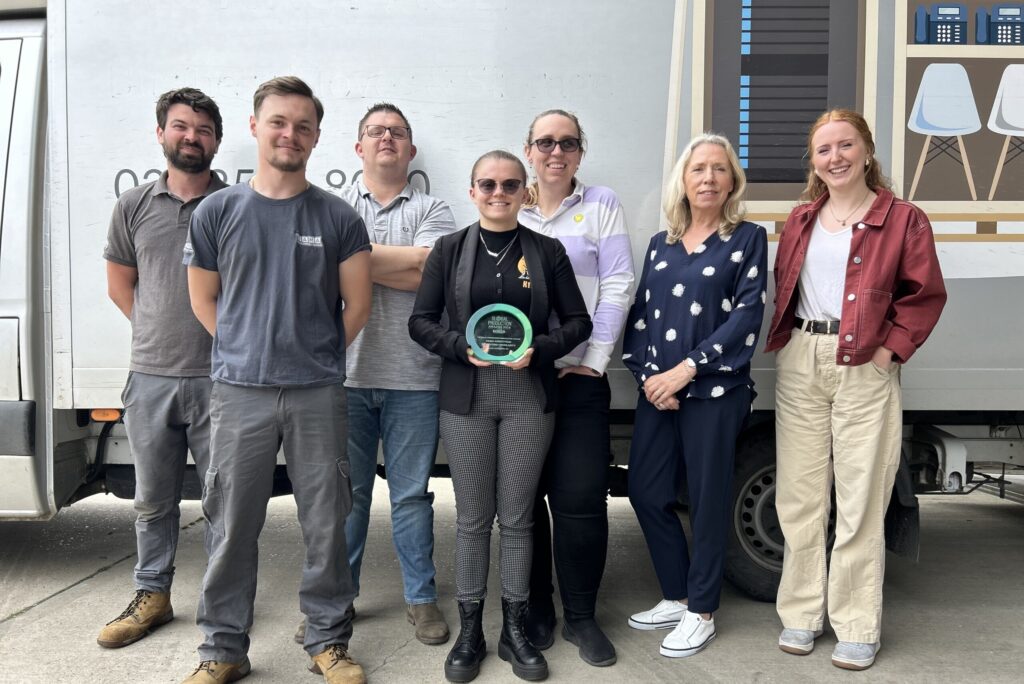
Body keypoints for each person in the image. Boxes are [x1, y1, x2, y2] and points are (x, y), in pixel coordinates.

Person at [183, 76, 372, 684]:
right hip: (239, 393)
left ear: (317, 137)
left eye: (303, 125)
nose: (290, 134)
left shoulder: (337, 216)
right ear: (255, 127)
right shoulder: (217, 212)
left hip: (318, 392)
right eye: (278, 122)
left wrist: (308, 357)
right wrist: (249, 351)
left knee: (326, 521)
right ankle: (222, 649)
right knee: (232, 521)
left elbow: (357, 307)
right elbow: (203, 301)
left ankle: (327, 642)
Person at [766, 109, 946, 671]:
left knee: (861, 500)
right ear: (814, 162)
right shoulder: (800, 219)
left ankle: (857, 624)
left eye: (845, 146)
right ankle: (800, 614)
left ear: (866, 151)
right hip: (802, 358)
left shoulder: (903, 218)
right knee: (799, 498)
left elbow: (924, 294)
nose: (835, 157)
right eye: (824, 150)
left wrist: (890, 353)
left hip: (865, 361)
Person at [409, 150, 592, 682]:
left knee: (517, 520)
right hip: (466, 397)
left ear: (524, 192)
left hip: (527, 399)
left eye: (510, 184)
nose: (498, 192)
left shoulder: (546, 251)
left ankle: (514, 631)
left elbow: (578, 321)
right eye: (487, 184)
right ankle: (471, 632)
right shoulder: (448, 249)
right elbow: (420, 322)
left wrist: (540, 347)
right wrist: (456, 345)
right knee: (470, 521)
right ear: (472, 191)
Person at [623, 134, 767, 659]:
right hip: (659, 391)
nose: (708, 178)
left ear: (732, 181)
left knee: (707, 501)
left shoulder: (747, 238)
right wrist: (647, 379)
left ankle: (702, 611)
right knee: (645, 490)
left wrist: (685, 370)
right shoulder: (662, 242)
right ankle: (677, 593)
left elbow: (747, 318)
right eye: (698, 169)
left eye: (719, 169)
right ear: (683, 180)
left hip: (715, 390)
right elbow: (640, 317)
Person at [99, 87, 226, 650]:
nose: (191, 137)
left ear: (217, 140)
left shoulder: (236, 205)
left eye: (201, 129)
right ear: (161, 133)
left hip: (222, 380)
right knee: (153, 499)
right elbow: (120, 286)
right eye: (181, 127)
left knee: (225, 499)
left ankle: (224, 604)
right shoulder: (133, 206)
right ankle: (153, 594)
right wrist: (158, 330)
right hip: (150, 377)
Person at [335, 102, 456, 644]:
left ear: (410, 150)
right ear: (359, 147)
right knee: (349, 497)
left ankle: (422, 600)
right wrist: (398, 264)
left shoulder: (435, 208)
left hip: (415, 378)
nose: (387, 138)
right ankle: (336, 601)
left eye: (398, 132)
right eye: (375, 131)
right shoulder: (332, 207)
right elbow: (319, 277)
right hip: (346, 377)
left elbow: (431, 275)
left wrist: (352, 261)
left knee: (411, 496)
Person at [517, 109, 634, 667]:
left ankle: (582, 617)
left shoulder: (600, 203)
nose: (555, 152)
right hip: (517, 382)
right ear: (529, 149)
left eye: (567, 143)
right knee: (524, 503)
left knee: (582, 499)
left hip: (579, 379)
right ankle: (537, 607)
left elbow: (617, 282)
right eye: (545, 142)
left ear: (580, 152)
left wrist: (594, 358)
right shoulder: (509, 205)